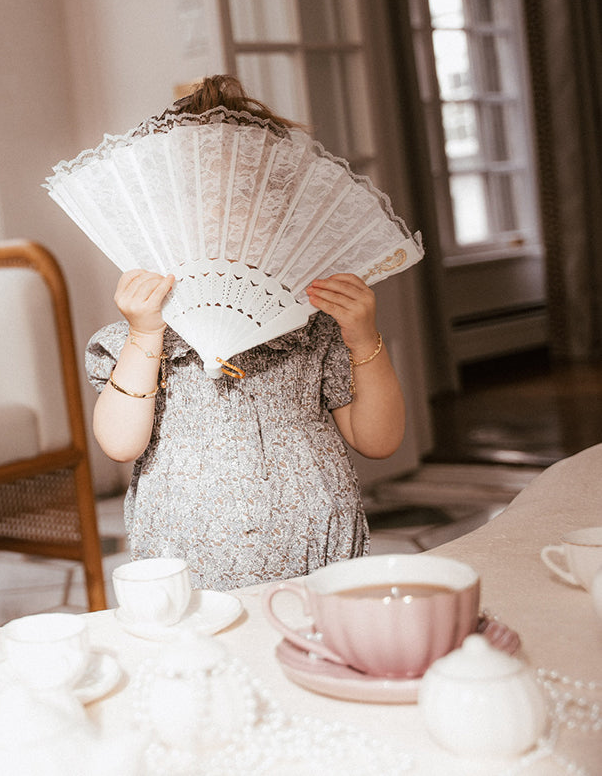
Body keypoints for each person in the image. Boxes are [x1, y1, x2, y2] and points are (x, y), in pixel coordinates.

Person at [86, 75, 407, 591]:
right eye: (204, 216)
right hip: (189, 557)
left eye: (251, 215)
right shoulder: (142, 338)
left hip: (315, 548)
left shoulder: (313, 331)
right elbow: (121, 443)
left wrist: (363, 338)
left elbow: (380, 440)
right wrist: (144, 336)